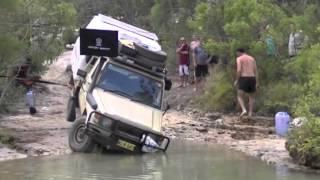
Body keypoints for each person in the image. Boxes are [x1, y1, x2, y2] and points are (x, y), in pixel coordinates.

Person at [234, 48, 258, 117]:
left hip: (244, 78)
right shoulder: (252, 58)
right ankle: (250, 113)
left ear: (239, 52)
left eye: (237, 53)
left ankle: (244, 110)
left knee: (239, 95)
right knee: (251, 97)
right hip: (252, 78)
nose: (237, 55)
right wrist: (257, 82)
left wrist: (237, 80)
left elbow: (239, 70)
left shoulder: (239, 59)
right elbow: (256, 71)